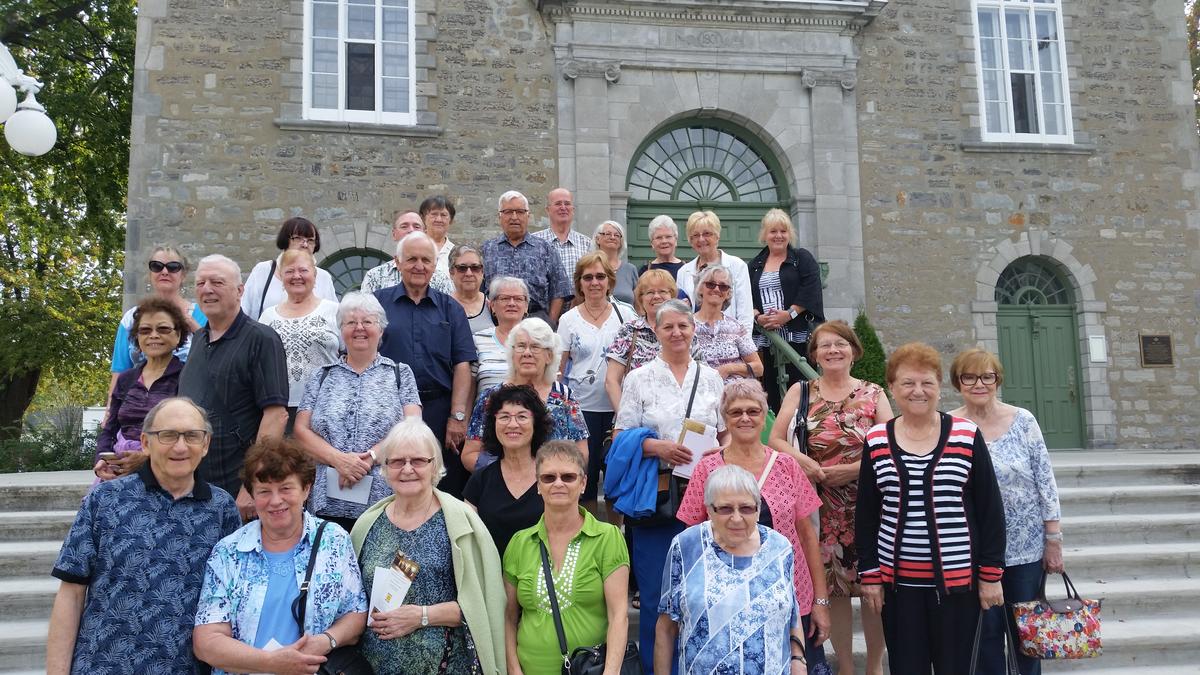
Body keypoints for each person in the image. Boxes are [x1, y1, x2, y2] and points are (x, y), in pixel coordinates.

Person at [46, 398, 241, 675]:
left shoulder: (222, 509)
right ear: (146, 442)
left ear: (206, 444)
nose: (180, 446)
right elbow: (71, 594)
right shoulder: (105, 500)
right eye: (168, 435)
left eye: (192, 436)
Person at [856, 342, 1008, 673]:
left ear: (939, 387)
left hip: (958, 587)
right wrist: (869, 574)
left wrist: (991, 575)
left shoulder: (966, 436)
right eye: (908, 383)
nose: (918, 391)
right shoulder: (877, 440)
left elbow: (990, 509)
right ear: (893, 388)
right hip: (897, 588)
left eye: (927, 382)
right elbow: (866, 515)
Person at [677, 379, 831, 673]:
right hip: (725, 604)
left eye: (753, 411)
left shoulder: (787, 465)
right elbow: (690, 539)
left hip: (789, 598)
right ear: (725, 419)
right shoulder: (707, 468)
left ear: (765, 416)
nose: (745, 418)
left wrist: (820, 601)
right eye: (736, 412)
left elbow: (808, 536)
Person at [769, 320, 893, 675]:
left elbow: (890, 446)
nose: (833, 350)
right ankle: (845, 668)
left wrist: (854, 470)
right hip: (819, 507)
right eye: (825, 346)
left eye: (840, 344)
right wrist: (804, 462)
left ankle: (873, 666)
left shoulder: (874, 393)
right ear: (815, 355)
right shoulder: (801, 391)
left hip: (868, 506)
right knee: (835, 590)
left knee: (873, 591)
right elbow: (776, 439)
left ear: (854, 351)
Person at [610, 299, 725, 673]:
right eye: (668, 327)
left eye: (683, 326)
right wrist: (656, 446)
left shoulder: (711, 378)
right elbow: (620, 436)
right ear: (655, 332)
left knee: (702, 593)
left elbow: (725, 435)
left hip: (705, 500)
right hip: (657, 499)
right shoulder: (638, 377)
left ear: (693, 330)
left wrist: (713, 453)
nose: (676, 333)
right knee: (659, 596)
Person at [193, 438, 367, 674]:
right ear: (252, 495)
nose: (275, 501)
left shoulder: (333, 540)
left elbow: (356, 614)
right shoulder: (228, 552)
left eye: (286, 488)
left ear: (306, 488)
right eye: (264, 491)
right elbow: (206, 642)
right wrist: (271, 663)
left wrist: (326, 641)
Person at [351, 418, 507, 674]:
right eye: (398, 461)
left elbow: (483, 604)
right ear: (385, 468)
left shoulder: (461, 523)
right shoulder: (367, 524)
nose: (408, 469)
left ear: (435, 467)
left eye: (418, 461)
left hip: (445, 666)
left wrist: (422, 616)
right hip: (374, 666)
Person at [949, 348, 1063, 675]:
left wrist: (1053, 540)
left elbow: (1045, 481)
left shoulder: (1023, 420)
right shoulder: (950, 425)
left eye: (987, 376)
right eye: (969, 377)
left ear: (997, 380)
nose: (979, 384)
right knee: (984, 636)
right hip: (974, 550)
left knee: (1027, 635)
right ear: (958, 382)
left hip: (1025, 550)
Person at [656, 465, 809, 675]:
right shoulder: (686, 546)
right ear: (709, 509)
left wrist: (798, 660)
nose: (736, 518)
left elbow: (792, 613)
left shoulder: (779, 547)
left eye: (746, 508)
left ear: (758, 509)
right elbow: (666, 627)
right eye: (725, 508)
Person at [294, 292, 423, 533]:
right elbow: (301, 431)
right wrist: (339, 460)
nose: (359, 328)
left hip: (385, 500)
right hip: (327, 503)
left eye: (368, 322)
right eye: (351, 323)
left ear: (381, 329)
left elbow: (412, 426)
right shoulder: (322, 375)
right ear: (341, 330)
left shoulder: (399, 373)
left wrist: (369, 459)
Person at [502, 441, 630, 675]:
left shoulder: (607, 537)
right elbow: (508, 618)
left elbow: (619, 615)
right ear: (538, 485)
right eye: (549, 478)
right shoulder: (519, 543)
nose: (558, 483)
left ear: (583, 483)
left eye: (568, 477)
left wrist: (611, 672)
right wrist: (513, 670)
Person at [180, 254, 289, 518]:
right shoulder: (197, 341)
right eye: (201, 283)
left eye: (217, 282)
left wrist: (251, 485)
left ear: (240, 291)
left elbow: (276, 415)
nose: (207, 289)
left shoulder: (261, 339)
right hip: (194, 484)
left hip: (236, 487)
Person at [375, 231, 477, 498]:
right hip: (389, 410)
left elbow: (463, 364)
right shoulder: (377, 304)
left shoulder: (451, 309)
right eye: (411, 259)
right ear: (397, 262)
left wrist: (457, 417)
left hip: (440, 412)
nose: (419, 266)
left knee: (443, 485)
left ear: (435, 265)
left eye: (425, 260)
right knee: (392, 480)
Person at [461, 317, 590, 473]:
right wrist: (508, 473)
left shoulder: (564, 396)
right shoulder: (491, 397)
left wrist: (552, 474)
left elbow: (581, 452)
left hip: (551, 485)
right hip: (502, 486)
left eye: (536, 346)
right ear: (512, 353)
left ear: (549, 355)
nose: (527, 353)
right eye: (521, 346)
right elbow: (469, 454)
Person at [558, 251, 636, 501]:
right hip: (582, 410)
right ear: (579, 283)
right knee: (585, 479)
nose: (594, 283)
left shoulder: (626, 315)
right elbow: (559, 369)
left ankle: (614, 536)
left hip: (619, 409)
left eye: (600, 277)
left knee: (617, 481)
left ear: (610, 280)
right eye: (588, 277)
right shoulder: (568, 320)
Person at [94, 297, 189, 482]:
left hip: (168, 472)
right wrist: (101, 459)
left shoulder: (188, 376)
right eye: (145, 330)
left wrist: (147, 458)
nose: (153, 335)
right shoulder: (126, 379)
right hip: (119, 471)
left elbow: (191, 432)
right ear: (137, 337)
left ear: (178, 336)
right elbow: (110, 428)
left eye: (163, 329)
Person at [749, 209, 825, 411]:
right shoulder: (755, 265)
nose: (778, 236)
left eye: (783, 231)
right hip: (767, 339)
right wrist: (758, 318)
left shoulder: (801, 258)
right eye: (773, 231)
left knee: (800, 390)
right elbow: (746, 296)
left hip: (796, 337)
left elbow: (811, 289)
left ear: (790, 234)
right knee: (772, 391)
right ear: (764, 234)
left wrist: (788, 314)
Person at [463, 385, 553, 556]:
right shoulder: (480, 480)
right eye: (504, 417)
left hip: (544, 577)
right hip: (492, 577)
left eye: (522, 416)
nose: (513, 424)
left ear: (536, 424)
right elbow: (470, 542)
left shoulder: (553, 476)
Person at [257, 248, 341, 431]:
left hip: (326, 406)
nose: (297, 276)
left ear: (314, 273)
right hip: (279, 410)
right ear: (281, 276)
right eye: (289, 271)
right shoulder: (268, 317)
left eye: (303, 270)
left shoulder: (334, 311)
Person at [108, 246, 206, 399]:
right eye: (157, 266)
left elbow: (214, 361)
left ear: (183, 275)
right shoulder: (131, 319)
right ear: (150, 273)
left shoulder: (202, 316)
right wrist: (110, 413)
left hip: (185, 403)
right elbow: (120, 371)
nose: (165, 272)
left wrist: (193, 326)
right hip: (137, 405)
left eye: (173, 267)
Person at [481, 190, 573, 325]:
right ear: (499, 216)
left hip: (537, 320)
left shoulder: (545, 248)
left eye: (520, 212)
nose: (514, 217)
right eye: (508, 212)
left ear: (528, 215)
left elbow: (560, 290)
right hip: (496, 322)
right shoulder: (487, 249)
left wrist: (550, 322)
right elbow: (479, 289)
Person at [603, 269, 679, 411]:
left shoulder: (683, 330)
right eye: (650, 292)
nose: (656, 296)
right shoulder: (629, 330)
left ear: (672, 296)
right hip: (637, 418)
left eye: (662, 291)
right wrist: (625, 420)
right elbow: (611, 381)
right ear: (641, 298)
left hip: (677, 417)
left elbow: (698, 375)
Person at [242, 217, 338, 320]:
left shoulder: (323, 277)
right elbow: (244, 311)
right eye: (298, 238)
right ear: (285, 240)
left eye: (310, 240)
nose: (305, 244)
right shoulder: (263, 271)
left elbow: (335, 318)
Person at [675, 210, 754, 333]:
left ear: (717, 236)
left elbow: (745, 314)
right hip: (693, 341)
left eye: (707, 234)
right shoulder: (683, 272)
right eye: (695, 235)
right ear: (690, 240)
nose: (701, 239)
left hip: (728, 340)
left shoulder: (737, 266)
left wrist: (743, 345)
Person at [691, 264, 764, 382]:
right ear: (700, 288)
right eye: (710, 284)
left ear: (728, 293)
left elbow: (758, 368)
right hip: (701, 393)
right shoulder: (686, 326)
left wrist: (729, 368)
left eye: (723, 286)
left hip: (735, 395)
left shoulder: (736, 327)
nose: (716, 289)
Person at [362, 210, 453, 294]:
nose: (411, 230)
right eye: (404, 226)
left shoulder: (441, 280)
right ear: (394, 234)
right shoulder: (375, 277)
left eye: (416, 226)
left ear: (425, 233)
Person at [530, 187, 593, 305]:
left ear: (573, 209)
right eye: (558, 203)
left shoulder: (587, 243)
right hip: (543, 312)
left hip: (578, 311)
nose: (563, 208)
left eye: (567, 204)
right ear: (547, 210)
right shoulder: (534, 241)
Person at [473, 277, 530, 395]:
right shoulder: (478, 339)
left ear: (526, 306)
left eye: (518, 299)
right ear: (492, 305)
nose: (512, 303)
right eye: (504, 298)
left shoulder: (538, 340)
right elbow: (468, 388)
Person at [449, 243, 495, 333]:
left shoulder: (493, 306)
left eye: (475, 267)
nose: (469, 273)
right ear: (451, 272)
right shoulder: (443, 307)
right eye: (462, 268)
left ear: (482, 272)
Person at [593, 220, 639, 306]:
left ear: (621, 242)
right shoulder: (590, 267)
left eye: (617, 235)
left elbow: (638, 304)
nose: (613, 237)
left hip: (627, 319)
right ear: (597, 239)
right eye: (608, 234)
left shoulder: (630, 269)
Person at [638, 215, 685, 281]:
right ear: (652, 243)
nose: (664, 241)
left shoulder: (687, 269)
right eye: (659, 237)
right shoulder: (644, 271)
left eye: (668, 236)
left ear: (676, 240)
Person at [420, 195, 458, 274]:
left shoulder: (456, 253)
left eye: (444, 215)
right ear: (423, 218)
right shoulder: (413, 246)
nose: (439, 219)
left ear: (450, 220)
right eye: (434, 214)